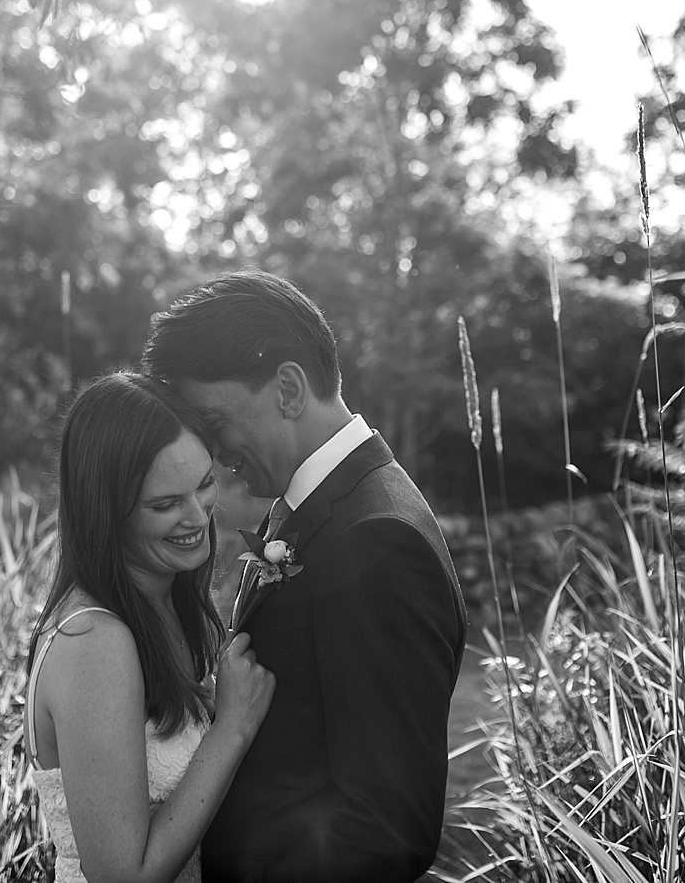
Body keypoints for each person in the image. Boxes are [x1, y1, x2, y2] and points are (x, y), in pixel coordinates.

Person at [142, 271, 469, 883]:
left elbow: (388, 829)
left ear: (288, 390)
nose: (213, 453)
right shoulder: (327, 505)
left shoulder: (378, 541)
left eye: (215, 424)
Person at [26, 372, 277, 883]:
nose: (197, 515)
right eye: (165, 504)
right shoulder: (94, 642)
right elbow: (123, 875)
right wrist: (232, 726)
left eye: (204, 483)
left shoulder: (165, 606)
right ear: (107, 512)